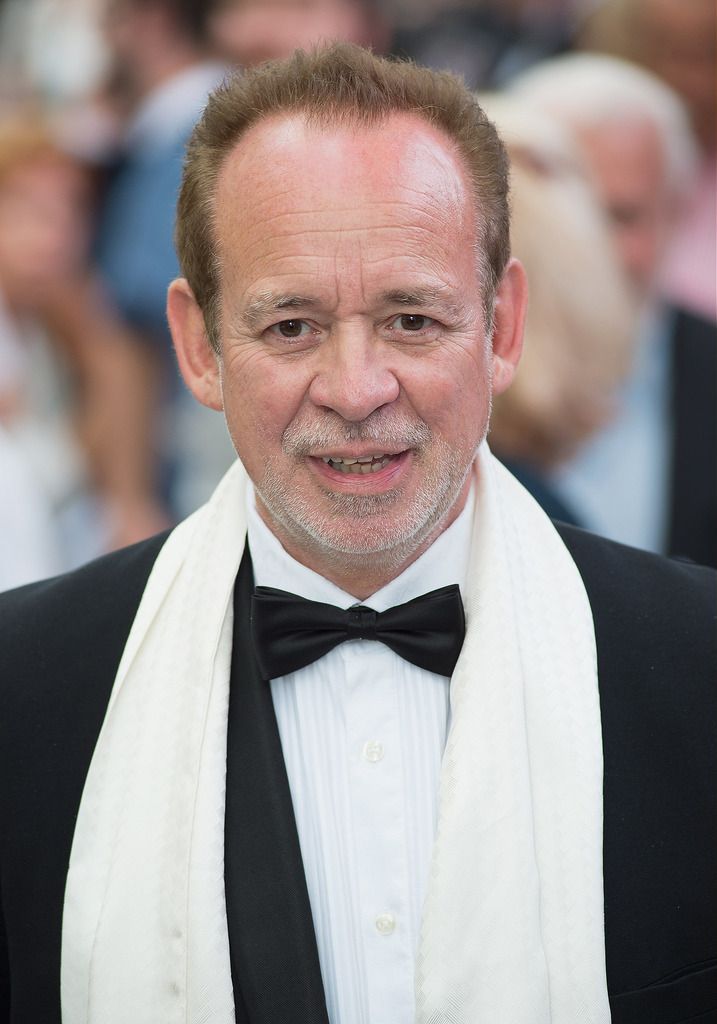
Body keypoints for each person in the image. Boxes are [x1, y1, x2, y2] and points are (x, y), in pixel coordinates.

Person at [0, 44, 714, 1024]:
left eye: (412, 319)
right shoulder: (26, 688)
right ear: (199, 346)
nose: (355, 389)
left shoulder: (697, 664)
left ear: (503, 327)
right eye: (291, 325)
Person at [511, 53, 717, 566]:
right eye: (563, 214)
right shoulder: (450, 378)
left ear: (676, 215)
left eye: (619, 215)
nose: (589, 247)